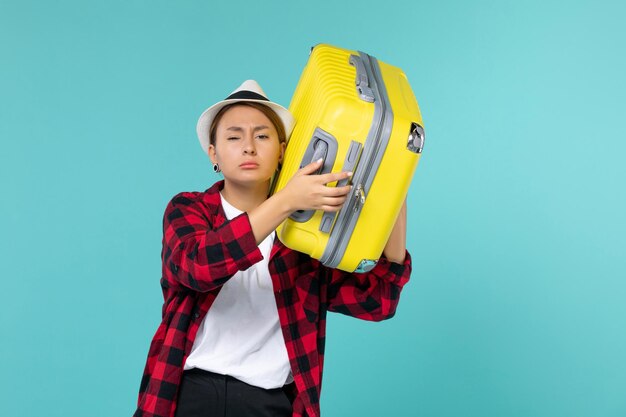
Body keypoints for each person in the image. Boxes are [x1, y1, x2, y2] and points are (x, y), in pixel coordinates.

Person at [134, 80, 411, 417]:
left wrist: (396, 182)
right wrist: (287, 201)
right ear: (214, 153)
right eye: (234, 137)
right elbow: (199, 267)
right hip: (189, 398)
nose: (249, 147)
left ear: (282, 150)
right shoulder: (188, 210)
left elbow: (378, 301)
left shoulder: (304, 236)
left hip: (270, 404)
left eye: (262, 136)